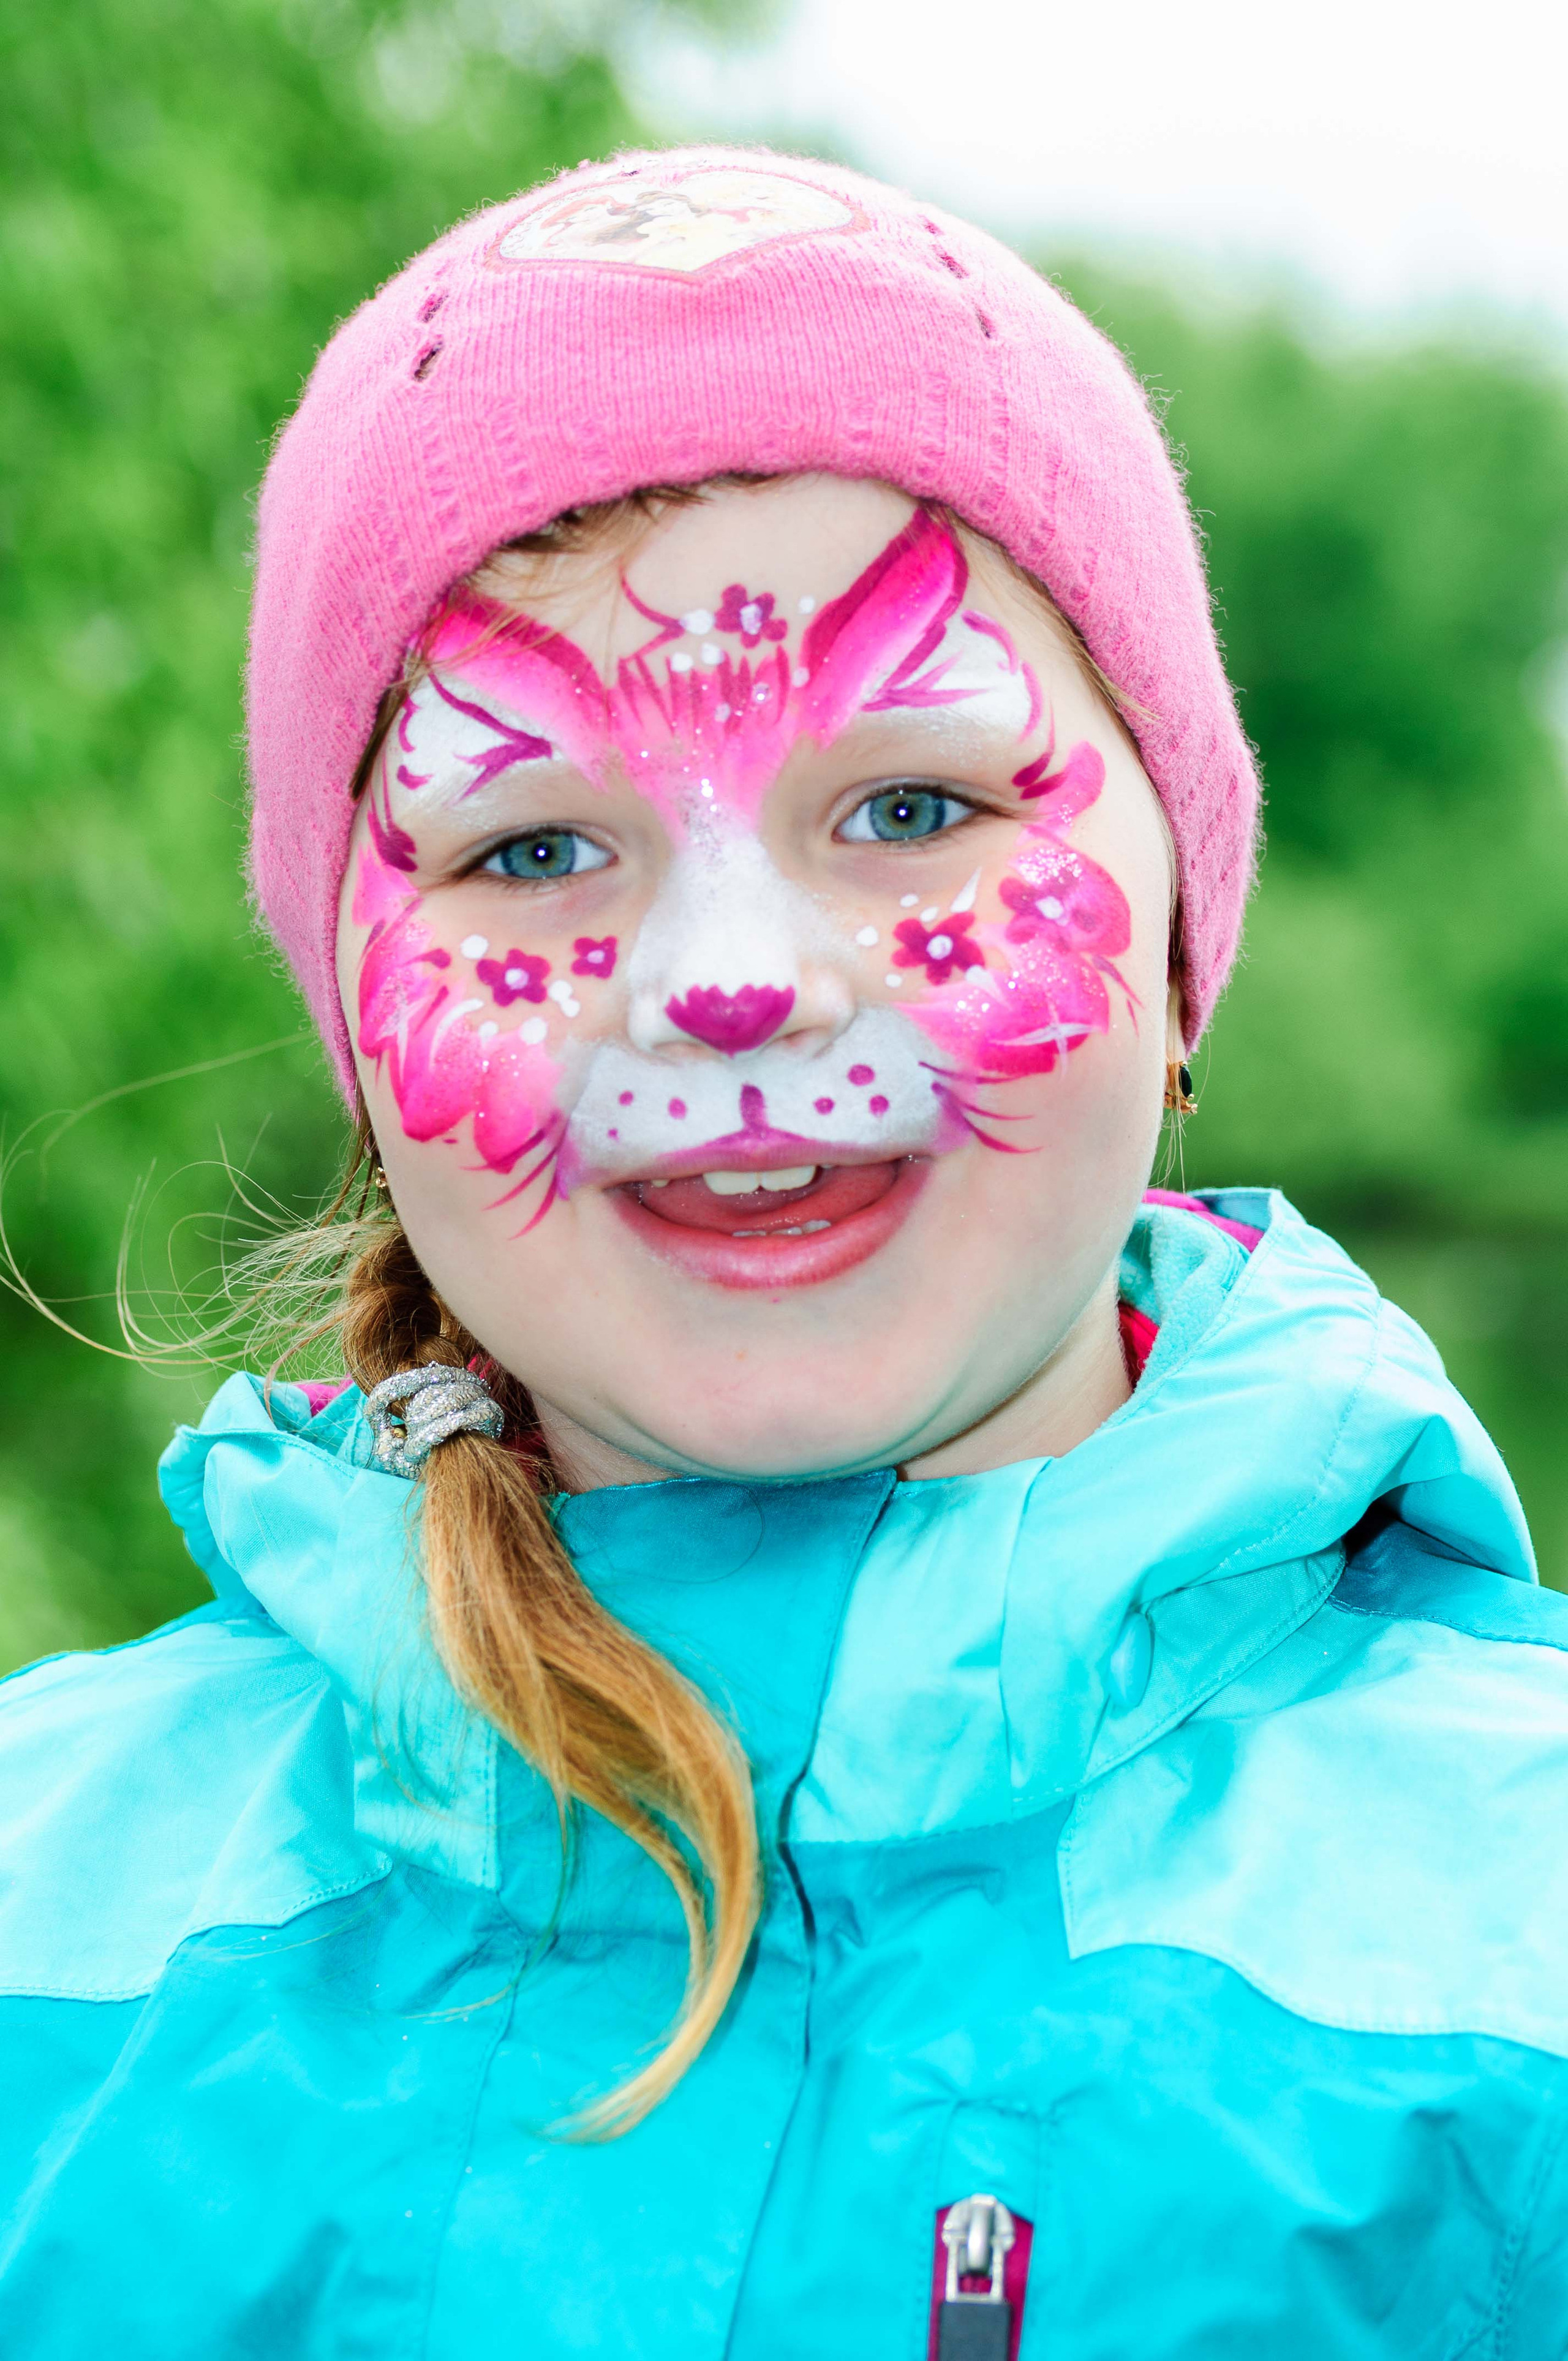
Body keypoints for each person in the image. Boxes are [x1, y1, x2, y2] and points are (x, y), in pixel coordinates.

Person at [2, 145, 1566, 2360]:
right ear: (352, 1005)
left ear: (1191, 921)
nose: (727, 982)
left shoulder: (1529, 1937)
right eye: (536, 843)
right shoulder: (37, 1925)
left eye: (913, 807)